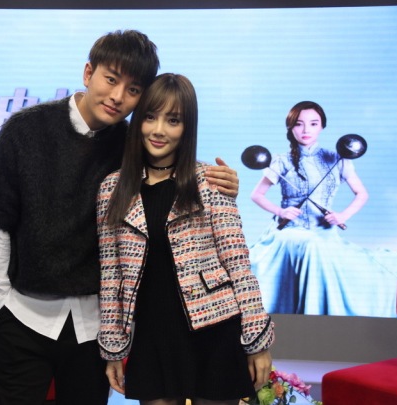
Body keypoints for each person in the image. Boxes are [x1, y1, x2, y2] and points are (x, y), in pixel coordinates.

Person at [0, 30, 240, 405]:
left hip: (93, 324)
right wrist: (0, 299)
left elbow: (172, 172)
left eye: (133, 90)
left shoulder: (133, 144)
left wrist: (220, 181)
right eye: (111, 79)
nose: (117, 96)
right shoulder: (25, 129)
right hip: (24, 314)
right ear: (89, 73)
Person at [97, 73, 274, 405]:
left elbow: (237, 263)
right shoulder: (112, 188)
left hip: (214, 329)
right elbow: (111, 275)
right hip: (151, 334)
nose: (159, 130)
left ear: (187, 127)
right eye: (150, 117)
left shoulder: (211, 180)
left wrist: (257, 340)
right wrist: (113, 347)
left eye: (173, 120)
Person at [248, 100, 397, 317]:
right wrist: (281, 212)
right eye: (299, 124)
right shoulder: (280, 161)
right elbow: (256, 195)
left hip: (326, 233)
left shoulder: (337, 159)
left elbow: (362, 194)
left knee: (384, 265)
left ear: (322, 126)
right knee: (312, 246)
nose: (306, 130)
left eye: (313, 124)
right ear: (291, 128)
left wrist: (342, 216)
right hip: (288, 232)